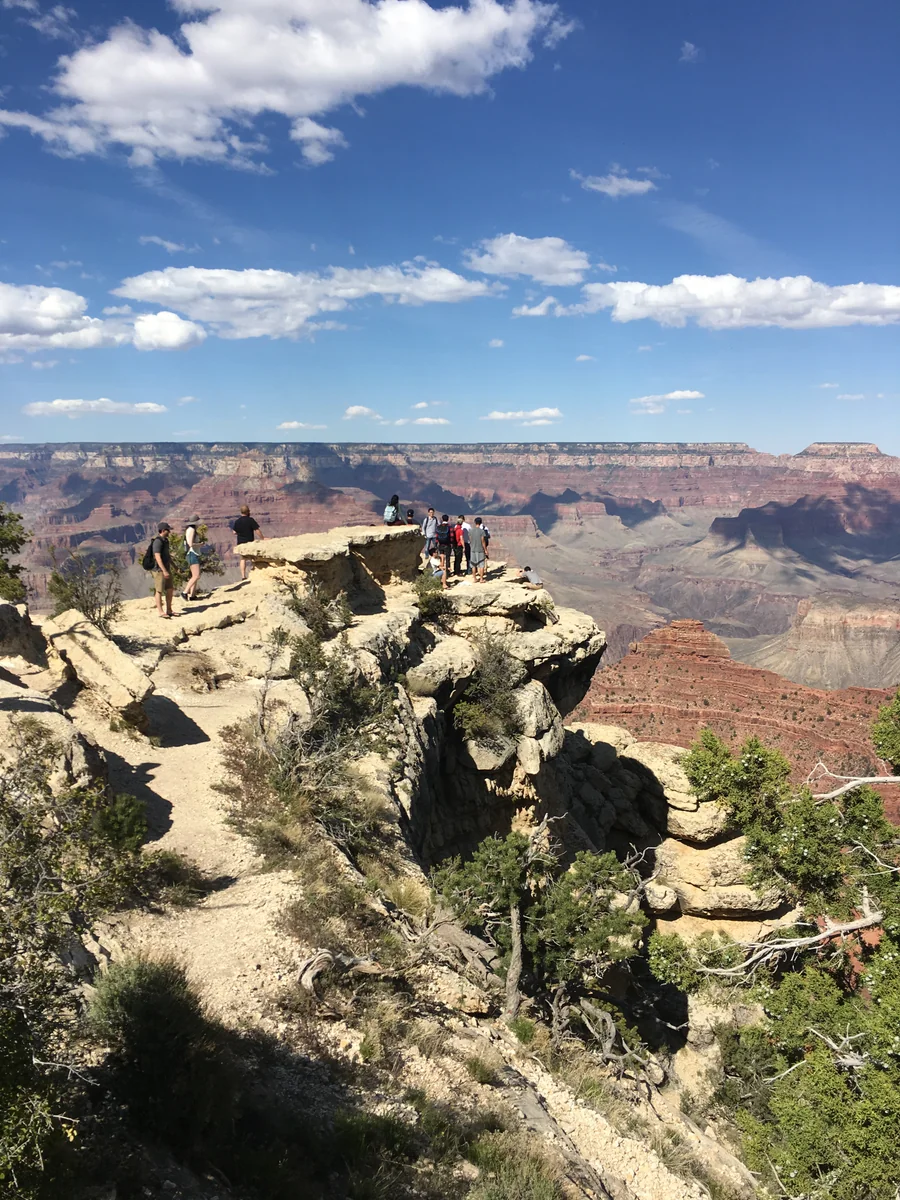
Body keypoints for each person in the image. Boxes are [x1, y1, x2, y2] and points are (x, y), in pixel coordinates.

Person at [233, 504, 264, 580]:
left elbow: (234, 532)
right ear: (248, 512)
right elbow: (257, 530)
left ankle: (243, 576)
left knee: (243, 558)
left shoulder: (237, 521)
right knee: (254, 558)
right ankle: (256, 573)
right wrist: (262, 538)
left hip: (241, 543)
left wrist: (240, 533)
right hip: (250, 542)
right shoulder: (250, 520)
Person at [152, 522, 175, 618]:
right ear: (162, 531)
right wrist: (164, 570)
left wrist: (174, 566)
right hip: (158, 570)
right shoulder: (157, 542)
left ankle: (169, 610)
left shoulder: (166, 541)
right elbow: (157, 557)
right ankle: (161, 612)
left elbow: (167, 556)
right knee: (159, 590)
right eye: (167, 530)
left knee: (170, 589)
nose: (169, 532)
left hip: (167, 568)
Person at [182, 515, 203, 602]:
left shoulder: (191, 530)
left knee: (194, 575)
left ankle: (193, 595)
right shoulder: (191, 530)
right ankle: (185, 592)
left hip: (193, 554)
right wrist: (200, 544)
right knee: (196, 575)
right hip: (192, 554)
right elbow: (190, 544)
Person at [435, 513, 453, 589]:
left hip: (440, 544)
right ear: (447, 519)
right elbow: (451, 536)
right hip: (447, 545)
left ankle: (441, 571)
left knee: (441, 558)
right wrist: (451, 543)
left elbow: (436, 536)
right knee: (447, 558)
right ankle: (447, 573)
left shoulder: (438, 527)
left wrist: (436, 544)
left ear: (442, 519)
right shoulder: (449, 527)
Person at [469, 517, 487, 584]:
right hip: (480, 550)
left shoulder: (471, 531)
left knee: (473, 564)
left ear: (475, 522)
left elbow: (470, 540)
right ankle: (481, 579)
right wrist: (485, 549)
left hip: (473, 549)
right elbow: (483, 541)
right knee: (481, 565)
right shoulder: (481, 531)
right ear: (481, 522)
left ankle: (474, 578)